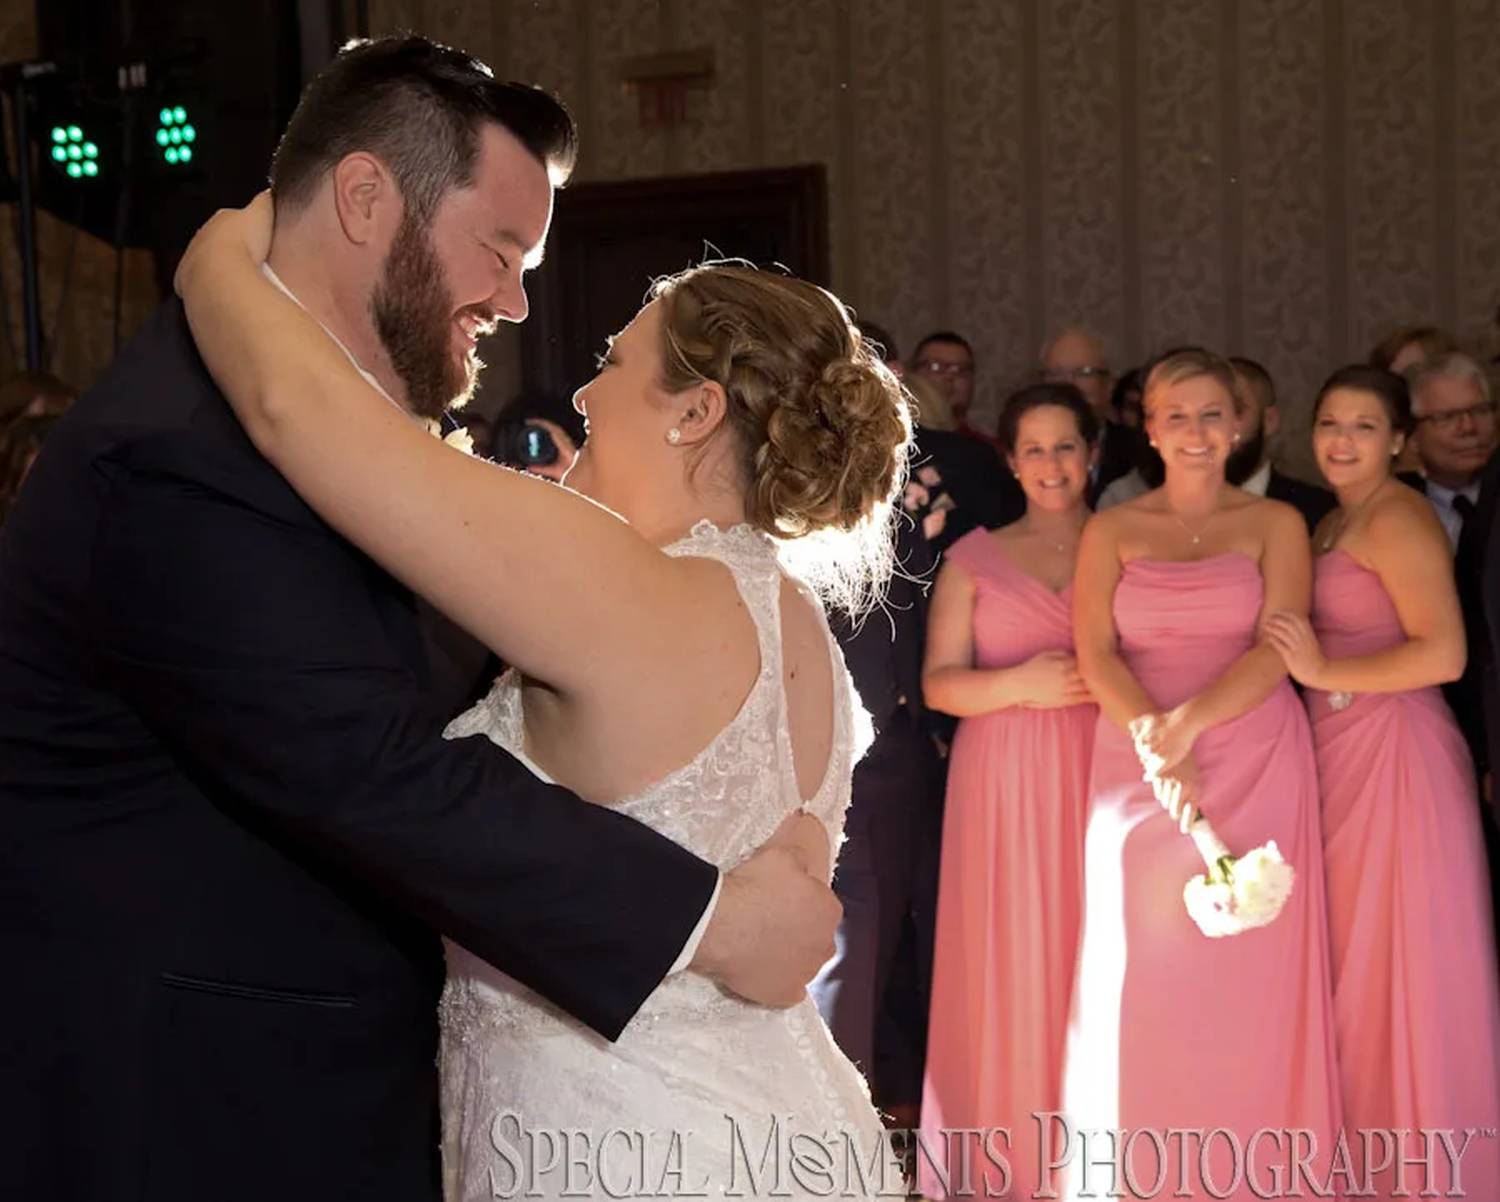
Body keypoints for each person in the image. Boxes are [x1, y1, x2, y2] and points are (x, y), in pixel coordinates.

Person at [0, 38, 841, 1202]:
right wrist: (710, 916)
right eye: (498, 249)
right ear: (365, 199)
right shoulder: (179, 456)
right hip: (203, 1111)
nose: (516, 299)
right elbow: (369, 772)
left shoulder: (365, 448)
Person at [175, 176, 915, 1196]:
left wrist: (215, 260)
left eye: (613, 364)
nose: (583, 395)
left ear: (696, 411)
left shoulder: (620, 583)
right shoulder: (797, 625)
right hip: (791, 1135)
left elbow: (292, 408)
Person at [1061, 348, 1342, 1200]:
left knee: (1252, 976)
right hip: (1133, 758)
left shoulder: (1278, 524)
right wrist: (1154, 738)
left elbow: (1279, 645)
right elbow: (1095, 652)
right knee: (1145, 967)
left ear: (1241, 424)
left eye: (1213, 413)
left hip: (1254, 752)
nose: (1196, 430)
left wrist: (1185, 728)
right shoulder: (1110, 529)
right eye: (1177, 415)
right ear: (1149, 428)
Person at [1264, 365, 1500, 1199]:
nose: (1342, 440)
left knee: (1402, 964)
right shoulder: (1333, 520)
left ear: (1399, 440)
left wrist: (1323, 669)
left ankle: (1425, 1174)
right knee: (1357, 971)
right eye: (1331, 423)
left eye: (1364, 427)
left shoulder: (1399, 516)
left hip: (1399, 757)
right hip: (1341, 753)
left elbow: (1445, 653)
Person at [919, 384, 1098, 1200]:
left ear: (1092, 453)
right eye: (1034, 449)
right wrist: (1022, 683)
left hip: (1106, 770)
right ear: (1012, 461)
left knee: (1096, 950)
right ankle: (1011, 1161)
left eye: (1066, 446)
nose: (1051, 464)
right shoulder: (974, 558)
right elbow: (940, 684)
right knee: (1011, 954)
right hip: (1001, 781)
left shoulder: (1130, 545)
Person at [1226, 355, 1336, 534]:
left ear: (1270, 420)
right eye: (1212, 414)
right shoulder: (1178, 510)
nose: (1221, 426)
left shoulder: (1321, 512)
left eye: (1236, 410)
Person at [1404, 352, 1497, 551]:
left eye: (1480, 410)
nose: (1469, 427)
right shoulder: (1398, 508)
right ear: (1413, 437)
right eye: (1446, 417)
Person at [1041, 326, 1133, 501]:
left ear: (1109, 385)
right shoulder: (1022, 458)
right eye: (1056, 374)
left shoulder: (1140, 453)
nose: (1068, 384)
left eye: (1084, 373)